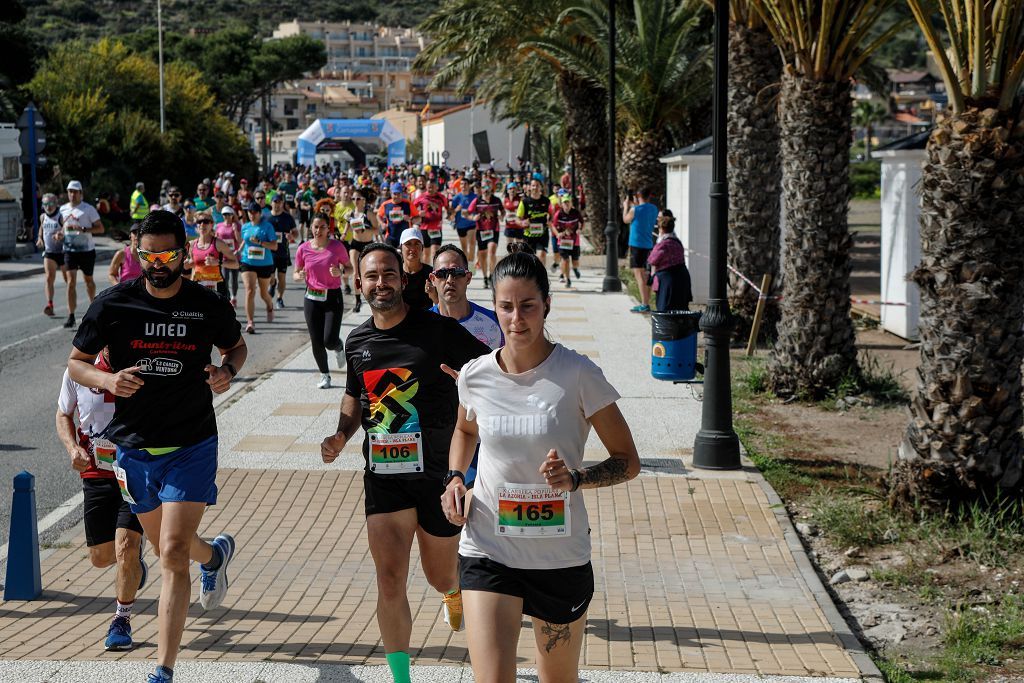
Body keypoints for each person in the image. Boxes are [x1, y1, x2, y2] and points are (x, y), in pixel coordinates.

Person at [440, 245, 641, 683]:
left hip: (559, 557)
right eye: (506, 307)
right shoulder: (475, 374)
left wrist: (576, 479)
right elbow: (465, 431)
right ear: (493, 309)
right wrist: (455, 477)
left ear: (546, 304)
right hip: (489, 547)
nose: (516, 319)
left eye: (527, 306)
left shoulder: (578, 374)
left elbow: (628, 462)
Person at [68, 209, 247, 683]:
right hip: (133, 448)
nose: (159, 263)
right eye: (149, 254)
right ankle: (215, 557)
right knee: (173, 544)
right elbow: (76, 364)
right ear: (136, 254)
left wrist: (226, 372)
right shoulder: (113, 304)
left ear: (184, 253)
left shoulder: (207, 304)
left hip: (192, 442)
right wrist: (107, 377)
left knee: (169, 553)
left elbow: (236, 347)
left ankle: (163, 670)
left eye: (168, 253)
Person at [320, 243, 490, 683]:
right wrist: (341, 433)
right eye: (372, 275)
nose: (381, 282)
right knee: (390, 578)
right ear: (359, 284)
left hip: (436, 476)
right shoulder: (357, 341)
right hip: (384, 479)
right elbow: (355, 394)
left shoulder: (437, 332)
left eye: (389, 274)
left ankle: (453, 589)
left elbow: (490, 370)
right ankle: (401, 678)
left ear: (403, 278)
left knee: (439, 575)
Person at [56, 347, 148, 651]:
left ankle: (121, 620)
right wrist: (72, 449)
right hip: (96, 471)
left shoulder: (140, 367)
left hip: (133, 469)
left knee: (126, 545)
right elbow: (62, 414)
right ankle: (133, 566)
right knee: (101, 557)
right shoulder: (79, 370)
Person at [294, 216, 352, 389]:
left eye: (322, 227)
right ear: (311, 227)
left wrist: (340, 271)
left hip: (332, 297)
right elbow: (296, 273)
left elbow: (350, 268)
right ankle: (325, 375)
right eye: (315, 227)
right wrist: (300, 276)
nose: (318, 231)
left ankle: (339, 346)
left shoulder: (336, 247)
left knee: (329, 339)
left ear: (328, 229)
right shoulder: (303, 248)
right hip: (311, 298)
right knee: (316, 340)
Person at [429, 245, 503, 351]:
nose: (450, 280)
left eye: (457, 273)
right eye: (442, 273)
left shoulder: (494, 324)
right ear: (432, 279)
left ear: (468, 278)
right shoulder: (421, 327)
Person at [60, 180, 106, 329]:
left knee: (88, 281)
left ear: (81, 193)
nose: (72, 194)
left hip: (86, 251)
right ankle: (71, 315)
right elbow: (61, 229)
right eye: (70, 191)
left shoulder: (88, 209)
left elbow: (100, 229)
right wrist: (58, 235)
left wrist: (84, 229)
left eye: (75, 192)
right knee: (70, 282)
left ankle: (94, 310)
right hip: (69, 250)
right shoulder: (62, 209)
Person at [239, 202, 279, 334]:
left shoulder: (267, 227)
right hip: (247, 261)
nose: (252, 215)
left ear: (260, 213)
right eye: (250, 212)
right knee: (250, 290)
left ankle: (269, 305)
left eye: (255, 212)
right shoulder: (245, 227)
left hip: (264, 264)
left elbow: (274, 246)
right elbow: (245, 240)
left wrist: (260, 242)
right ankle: (250, 322)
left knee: (263, 293)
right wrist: (238, 250)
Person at [646, 209, 692, 311]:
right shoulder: (677, 242)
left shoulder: (662, 244)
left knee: (666, 311)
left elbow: (652, 260)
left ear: (661, 229)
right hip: (683, 278)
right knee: (681, 309)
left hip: (668, 282)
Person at [623, 188, 659, 313]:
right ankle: (646, 301)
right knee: (646, 274)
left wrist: (625, 206)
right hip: (648, 244)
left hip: (636, 245)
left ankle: (644, 304)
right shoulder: (654, 209)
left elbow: (625, 219)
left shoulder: (634, 210)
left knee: (639, 275)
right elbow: (643, 212)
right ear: (649, 196)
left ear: (638, 196)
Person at [345, 188, 380, 313]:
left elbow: (377, 230)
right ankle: (358, 300)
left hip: (368, 245)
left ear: (364, 200)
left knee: (368, 273)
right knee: (355, 272)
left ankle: (372, 295)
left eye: (358, 199)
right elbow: (348, 227)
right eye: (353, 199)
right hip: (355, 244)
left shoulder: (368, 213)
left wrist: (367, 230)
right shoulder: (351, 213)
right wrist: (344, 233)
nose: (355, 201)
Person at [187, 212, 239, 297]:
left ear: (211, 225)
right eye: (199, 222)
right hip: (198, 288)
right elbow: (194, 268)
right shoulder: (192, 245)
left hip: (217, 289)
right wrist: (187, 266)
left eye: (206, 221)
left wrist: (219, 262)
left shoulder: (218, 243)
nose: (202, 224)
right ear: (196, 225)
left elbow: (236, 264)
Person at [468, 183, 504, 288]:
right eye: (484, 189)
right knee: (482, 255)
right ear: (481, 190)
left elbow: (503, 211)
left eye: (488, 189)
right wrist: (472, 218)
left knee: (492, 252)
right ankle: (485, 277)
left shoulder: (496, 200)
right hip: (481, 231)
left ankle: (491, 275)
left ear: (491, 190)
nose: (486, 191)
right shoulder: (477, 201)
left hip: (494, 230)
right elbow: (466, 213)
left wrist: (502, 216)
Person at [37, 192, 66, 317]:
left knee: (68, 280)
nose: (48, 206)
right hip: (49, 252)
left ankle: (71, 304)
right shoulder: (43, 217)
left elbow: (66, 228)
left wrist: (61, 234)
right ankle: (50, 304)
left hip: (63, 252)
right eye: (45, 204)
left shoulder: (61, 216)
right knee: (49, 278)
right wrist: (39, 238)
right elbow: (41, 229)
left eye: (51, 203)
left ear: (56, 204)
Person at [268, 194, 298, 309]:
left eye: (279, 202)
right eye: (275, 201)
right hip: (269, 254)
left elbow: (296, 233)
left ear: (282, 203)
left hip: (283, 252)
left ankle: (280, 298)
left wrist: (292, 236)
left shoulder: (287, 217)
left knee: (282, 277)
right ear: (271, 203)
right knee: (270, 278)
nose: (277, 204)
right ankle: (272, 283)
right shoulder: (266, 217)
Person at [551, 191, 583, 289]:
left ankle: (576, 268)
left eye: (568, 202)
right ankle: (568, 279)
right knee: (565, 260)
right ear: (561, 204)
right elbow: (553, 225)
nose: (566, 204)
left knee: (575, 262)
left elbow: (581, 223)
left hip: (574, 241)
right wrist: (557, 234)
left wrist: (579, 229)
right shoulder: (558, 214)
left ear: (571, 203)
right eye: (564, 202)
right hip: (563, 241)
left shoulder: (576, 213)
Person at [412, 179, 449, 264]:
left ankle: (434, 273)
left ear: (436, 187)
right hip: (424, 228)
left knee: (435, 252)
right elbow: (412, 209)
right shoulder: (421, 197)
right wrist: (418, 213)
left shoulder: (441, 197)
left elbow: (448, 208)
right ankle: (426, 274)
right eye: (428, 187)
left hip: (436, 228)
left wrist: (450, 214)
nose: (430, 189)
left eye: (432, 187)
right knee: (426, 254)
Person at [516, 178, 551, 266]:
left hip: (542, 234)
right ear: (530, 187)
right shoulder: (524, 202)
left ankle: (541, 277)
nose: (535, 187)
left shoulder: (546, 201)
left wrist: (550, 219)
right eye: (533, 185)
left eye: (537, 185)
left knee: (541, 255)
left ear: (541, 188)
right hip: (528, 235)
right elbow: (517, 219)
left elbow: (552, 215)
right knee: (529, 259)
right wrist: (522, 223)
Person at [398, 228, 433, 311]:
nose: (413, 249)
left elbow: (441, 306)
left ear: (422, 248)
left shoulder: (431, 274)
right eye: (408, 244)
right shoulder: (395, 273)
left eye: (417, 244)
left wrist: (433, 295)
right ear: (401, 247)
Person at [215, 206, 242, 307]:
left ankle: (234, 297)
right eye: (224, 215)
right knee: (225, 278)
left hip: (234, 257)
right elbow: (216, 240)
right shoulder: (218, 226)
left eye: (228, 214)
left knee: (234, 279)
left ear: (232, 215)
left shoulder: (237, 225)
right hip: (224, 257)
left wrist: (235, 230)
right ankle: (228, 296)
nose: (226, 216)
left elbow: (240, 241)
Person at [450, 181, 479, 267]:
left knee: (472, 244)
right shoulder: (456, 197)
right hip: (460, 225)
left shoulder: (475, 197)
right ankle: (466, 264)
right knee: (464, 247)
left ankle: (470, 264)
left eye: (466, 184)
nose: (464, 186)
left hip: (471, 223)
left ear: (469, 185)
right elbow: (450, 213)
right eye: (462, 184)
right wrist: (456, 210)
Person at [378, 182, 414, 248]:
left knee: (404, 257)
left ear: (402, 194)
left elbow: (417, 217)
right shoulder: (386, 204)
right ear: (391, 194)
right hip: (390, 236)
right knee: (390, 256)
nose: (397, 196)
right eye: (395, 194)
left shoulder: (408, 204)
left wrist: (410, 219)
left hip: (405, 236)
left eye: (398, 194)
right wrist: (382, 224)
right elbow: (378, 215)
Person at [502, 182, 525, 246]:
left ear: (517, 190)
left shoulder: (520, 199)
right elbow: (503, 211)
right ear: (507, 190)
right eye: (510, 188)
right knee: (510, 248)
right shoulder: (505, 200)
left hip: (519, 226)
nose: (512, 190)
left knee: (519, 248)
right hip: (509, 226)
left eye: (514, 188)